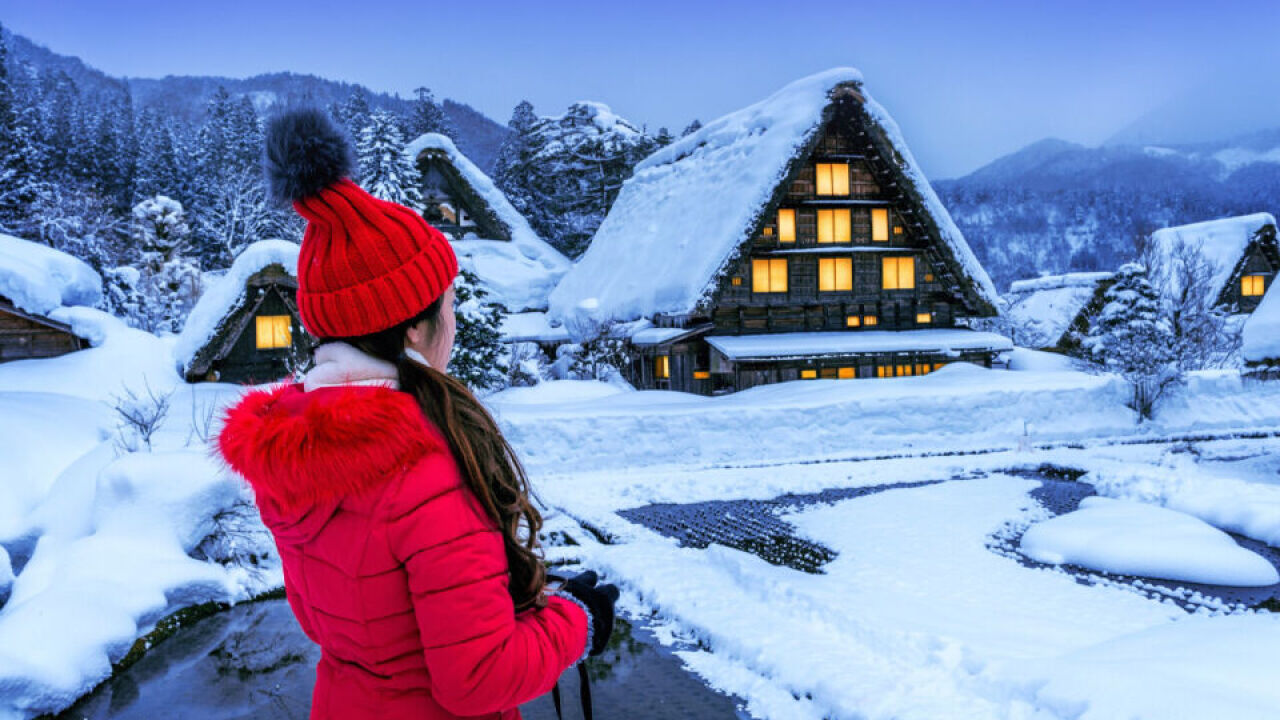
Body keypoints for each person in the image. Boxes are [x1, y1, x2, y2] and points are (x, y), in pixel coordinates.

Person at [218, 108, 617, 720]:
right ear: (412, 330)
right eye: (447, 304)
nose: (453, 323)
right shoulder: (423, 472)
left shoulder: (292, 455)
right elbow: (478, 678)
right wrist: (576, 622)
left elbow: (368, 619)